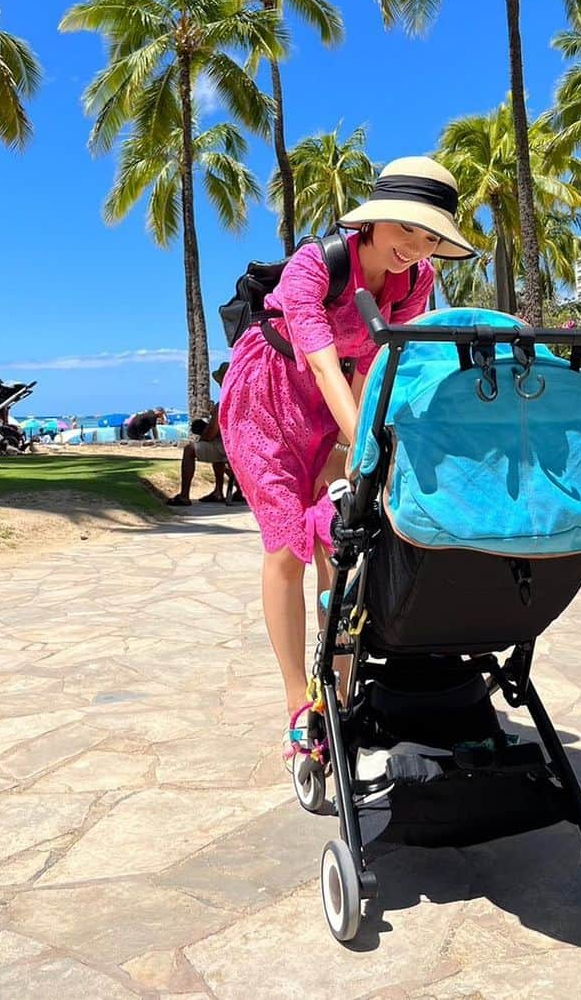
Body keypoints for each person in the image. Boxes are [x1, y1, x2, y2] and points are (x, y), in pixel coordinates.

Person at [219, 155, 474, 761]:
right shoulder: (317, 264)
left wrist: (364, 440)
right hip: (267, 397)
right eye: (406, 230)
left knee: (342, 534)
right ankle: (296, 708)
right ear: (375, 220)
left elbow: (379, 364)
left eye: (430, 236)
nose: (415, 247)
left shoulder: (417, 281)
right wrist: (360, 441)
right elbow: (324, 362)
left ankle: (332, 689)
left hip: (331, 406)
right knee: (286, 545)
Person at [168, 363, 231, 506]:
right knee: (217, 447)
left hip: (229, 448)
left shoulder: (223, 403)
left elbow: (210, 433)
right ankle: (218, 491)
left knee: (190, 450)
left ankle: (184, 495)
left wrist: (203, 437)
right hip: (240, 447)